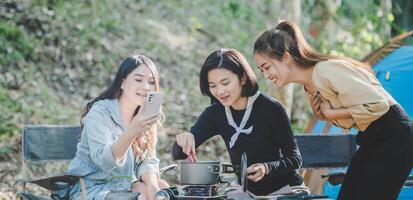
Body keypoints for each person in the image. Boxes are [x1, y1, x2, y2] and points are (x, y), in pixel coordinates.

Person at [253, 20, 413, 200]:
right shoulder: (310, 84)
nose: (266, 75)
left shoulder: (325, 70)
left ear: (286, 57)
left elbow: (378, 106)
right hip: (373, 137)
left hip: (395, 136)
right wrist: (324, 114)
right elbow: (356, 115)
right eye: (261, 71)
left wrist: (331, 114)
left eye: (267, 67)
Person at [171, 48, 309, 196]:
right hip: (246, 192)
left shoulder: (271, 109)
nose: (220, 91)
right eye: (213, 86)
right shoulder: (215, 113)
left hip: (286, 191)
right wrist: (183, 139)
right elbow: (178, 153)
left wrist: (266, 168)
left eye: (225, 83)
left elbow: (295, 159)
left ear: (242, 78)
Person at [66, 54, 168, 200]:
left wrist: (153, 186)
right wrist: (132, 130)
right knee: (138, 196)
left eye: (151, 82)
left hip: (123, 187)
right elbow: (104, 161)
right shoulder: (100, 113)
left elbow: (147, 160)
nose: (146, 87)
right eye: (138, 79)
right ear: (122, 82)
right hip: (90, 189)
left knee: (161, 188)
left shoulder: (144, 113)